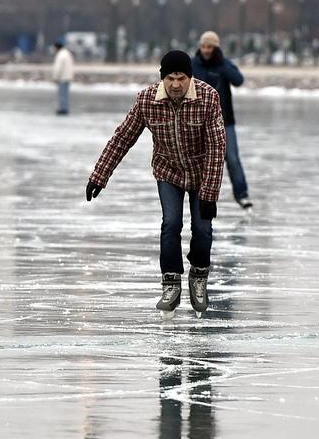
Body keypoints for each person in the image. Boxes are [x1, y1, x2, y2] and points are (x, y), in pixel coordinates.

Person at [85, 50, 226, 316]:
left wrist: (209, 194)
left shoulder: (208, 98)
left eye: (181, 78)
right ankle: (171, 284)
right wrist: (99, 176)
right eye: (170, 78)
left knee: (203, 229)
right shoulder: (147, 100)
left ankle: (198, 276)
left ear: (189, 78)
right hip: (168, 170)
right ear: (162, 78)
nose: (175, 85)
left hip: (201, 172)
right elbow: (123, 137)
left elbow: (218, 148)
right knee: (171, 224)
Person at [192, 30, 252, 210]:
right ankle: (204, 198)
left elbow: (239, 80)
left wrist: (222, 62)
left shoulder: (224, 65)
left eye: (210, 47)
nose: (206, 50)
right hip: (199, 123)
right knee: (203, 161)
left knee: (232, 159)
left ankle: (242, 195)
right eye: (203, 46)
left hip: (225, 121)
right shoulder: (192, 64)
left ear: (216, 48)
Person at [51, 38, 75, 114]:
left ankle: (62, 109)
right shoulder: (67, 53)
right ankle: (65, 108)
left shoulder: (61, 55)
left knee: (61, 95)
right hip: (68, 77)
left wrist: (55, 77)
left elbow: (58, 68)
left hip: (62, 77)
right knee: (65, 95)